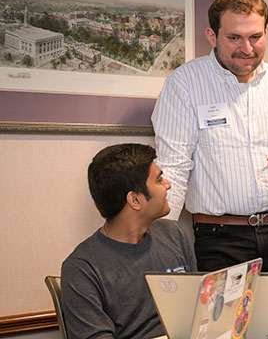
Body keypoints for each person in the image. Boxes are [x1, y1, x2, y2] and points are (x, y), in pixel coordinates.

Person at [151, 0, 268, 314]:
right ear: (212, 35)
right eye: (234, 37)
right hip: (221, 239)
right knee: (224, 333)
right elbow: (173, 168)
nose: (247, 49)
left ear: (267, 32)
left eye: (255, 37)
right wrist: (158, 244)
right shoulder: (185, 84)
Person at [61, 143, 196, 338]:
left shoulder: (174, 235)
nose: (168, 185)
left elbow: (200, 313)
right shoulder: (82, 269)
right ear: (135, 200)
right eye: (159, 180)